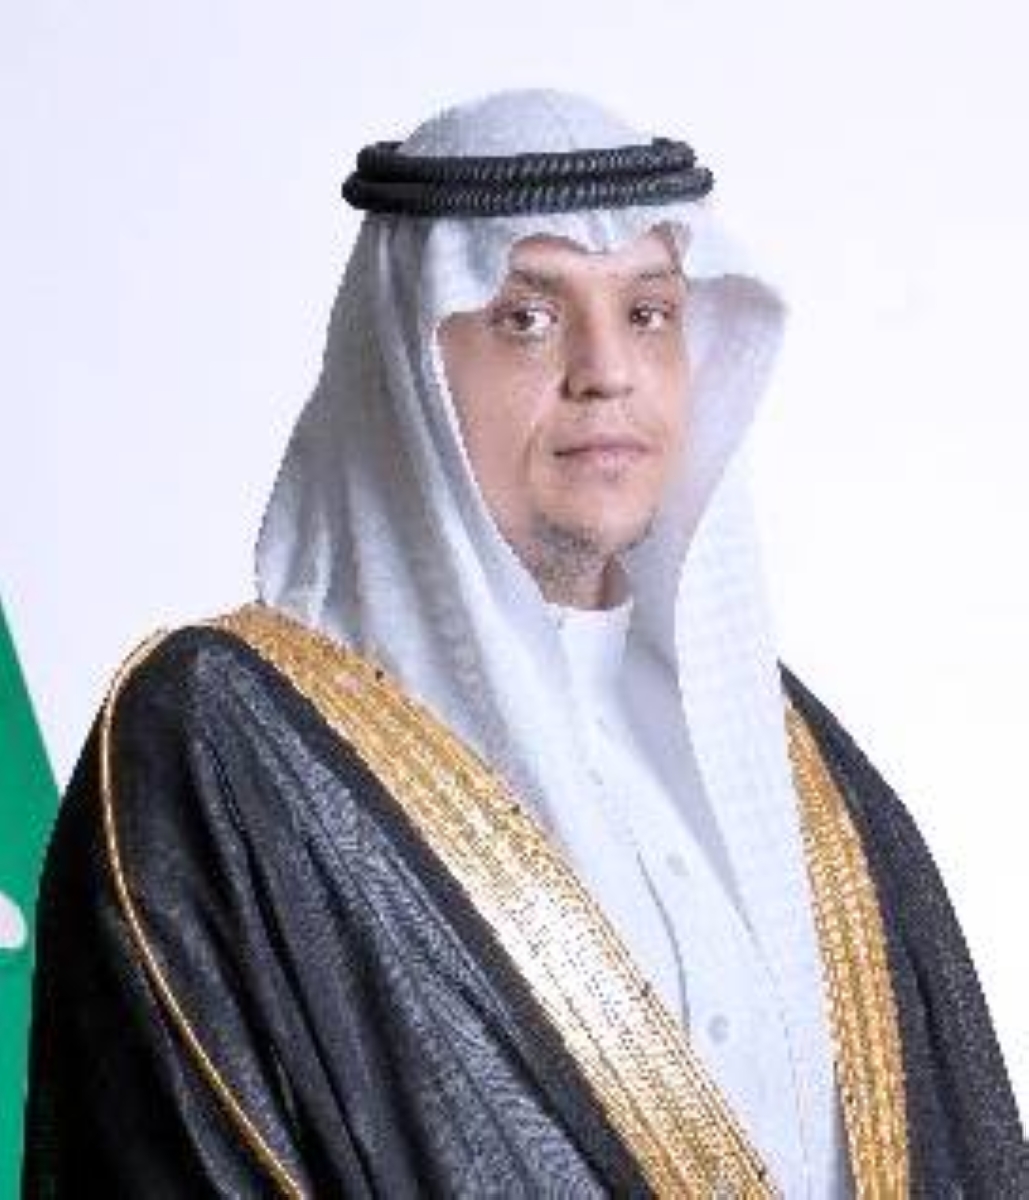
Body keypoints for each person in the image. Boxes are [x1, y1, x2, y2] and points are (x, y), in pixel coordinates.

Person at [23, 90, 1025, 1198]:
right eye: (528, 318)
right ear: (408, 363)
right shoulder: (231, 746)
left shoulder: (787, 760)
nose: (607, 369)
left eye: (648, 312)